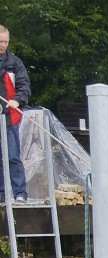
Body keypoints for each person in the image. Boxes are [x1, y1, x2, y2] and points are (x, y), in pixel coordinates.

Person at [0, 25, 30, 204]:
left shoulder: (15, 63)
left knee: (12, 155)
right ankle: (1, 194)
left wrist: (17, 100)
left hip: (11, 117)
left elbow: (24, 86)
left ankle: (20, 193)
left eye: (5, 42)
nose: (2, 45)